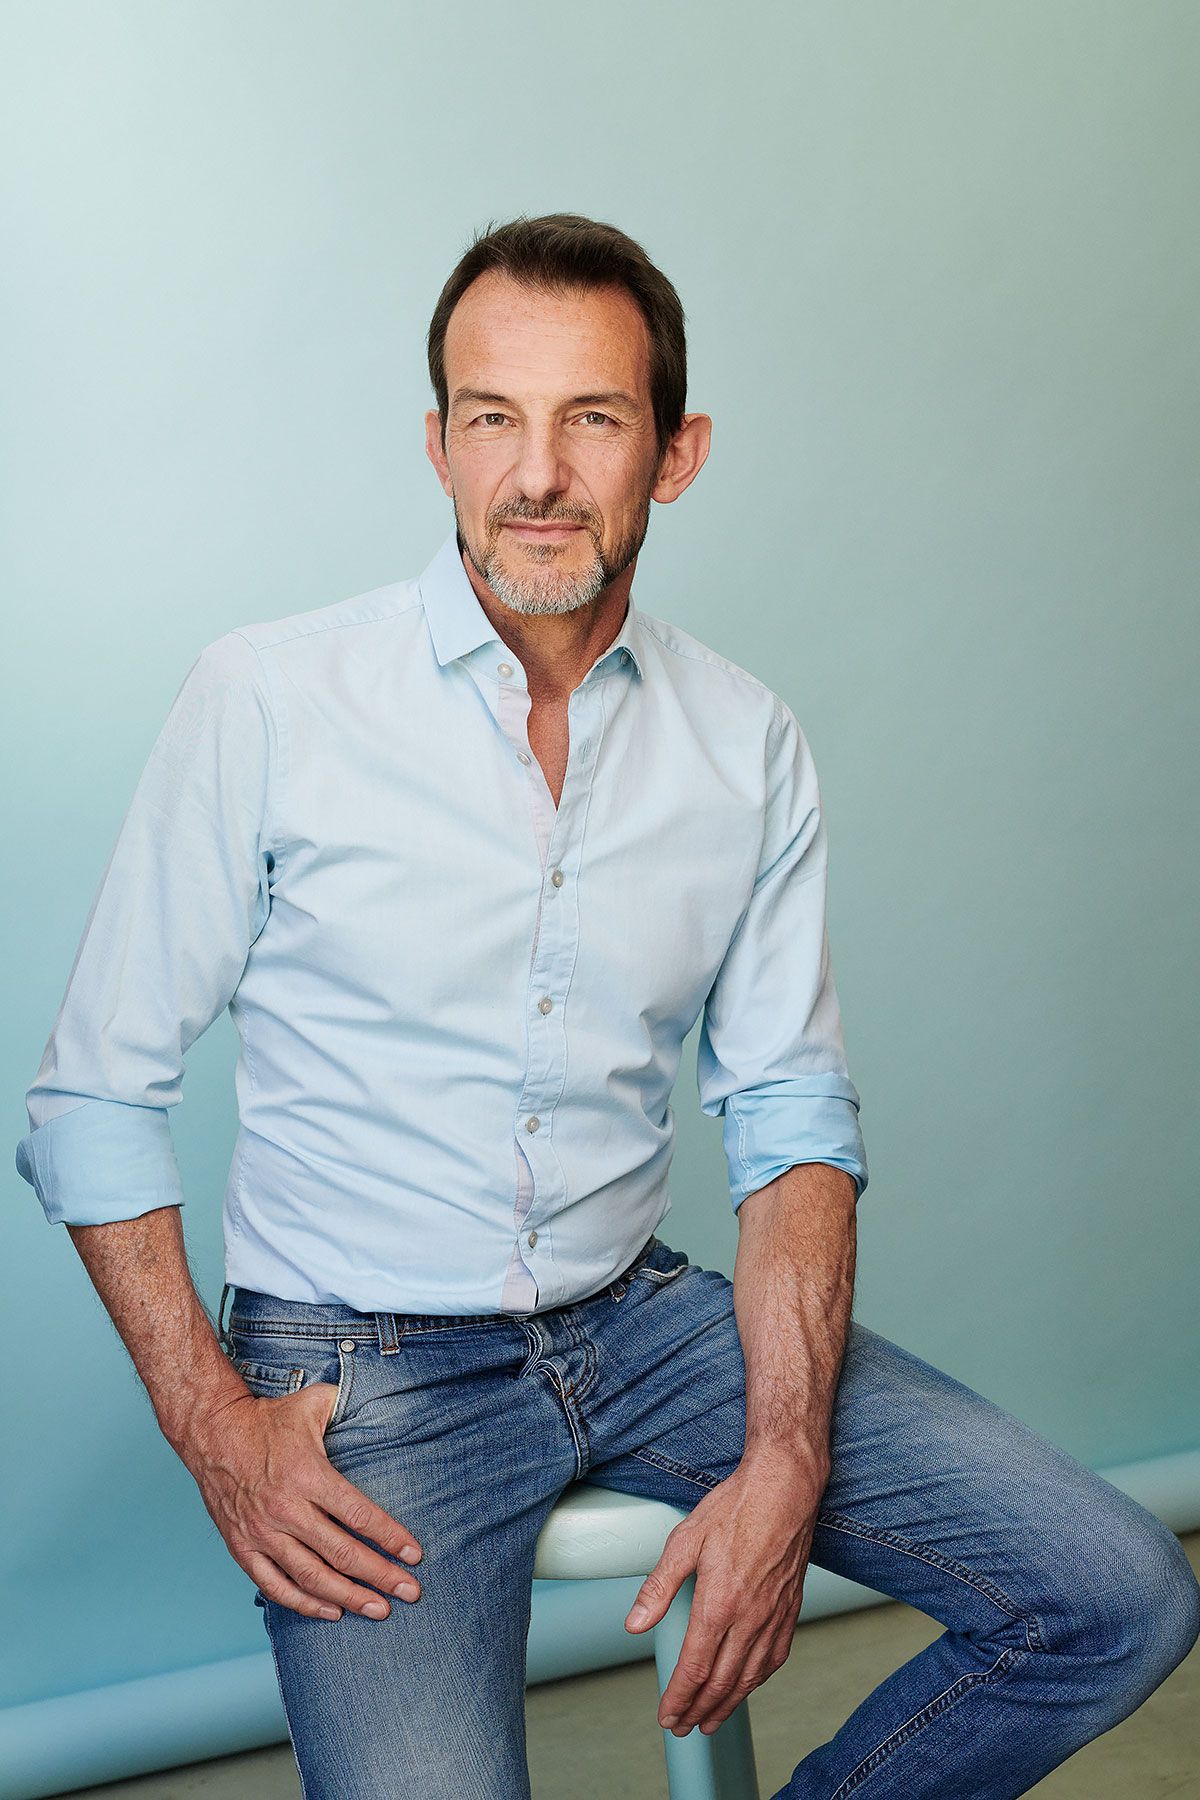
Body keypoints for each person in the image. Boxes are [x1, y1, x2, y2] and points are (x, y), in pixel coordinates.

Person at [16, 211, 1199, 1800]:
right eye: (492, 419)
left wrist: (785, 1452)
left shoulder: (747, 741)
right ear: (437, 445)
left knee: (1118, 1595)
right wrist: (213, 1423)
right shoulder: (270, 699)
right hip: (363, 1368)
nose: (538, 475)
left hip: (641, 1323)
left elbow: (790, 1120)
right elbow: (91, 1098)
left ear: (677, 452)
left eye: (592, 418)